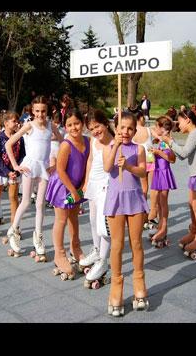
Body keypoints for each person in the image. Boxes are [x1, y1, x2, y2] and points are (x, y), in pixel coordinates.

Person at [5, 95, 64, 259]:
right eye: (37, 111)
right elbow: (8, 144)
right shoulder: (28, 125)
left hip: (44, 167)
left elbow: (63, 143)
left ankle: (38, 237)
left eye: (43, 111)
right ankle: (14, 230)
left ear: (48, 111)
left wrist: (56, 163)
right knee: (25, 201)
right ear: (32, 111)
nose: (40, 114)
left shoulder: (51, 126)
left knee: (40, 204)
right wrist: (16, 166)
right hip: (30, 166)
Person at [103, 112, 149, 317]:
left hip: (135, 199)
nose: (126, 132)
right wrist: (116, 147)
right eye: (122, 127)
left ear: (135, 130)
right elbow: (106, 167)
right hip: (115, 199)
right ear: (116, 128)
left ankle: (139, 281)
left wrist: (128, 166)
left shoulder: (139, 148)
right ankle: (116, 285)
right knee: (117, 244)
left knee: (136, 243)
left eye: (130, 128)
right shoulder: (110, 147)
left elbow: (143, 172)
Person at [158, 110, 196, 258]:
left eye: (179, 121)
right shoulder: (194, 134)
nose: (178, 125)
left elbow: (183, 153)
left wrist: (170, 141)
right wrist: (170, 143)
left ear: (187, 119)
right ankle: (193, 233)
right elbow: (182, 155)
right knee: (192, 204)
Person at [46, 107, 89, 279]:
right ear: (65, 126)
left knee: (74, 218)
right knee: (62, 219)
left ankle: (76, 248)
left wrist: (83, 186)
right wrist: (72, 190)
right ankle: (59, 253)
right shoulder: (66, 145)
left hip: (77, 187)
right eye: (69, 125)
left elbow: (88, 164)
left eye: (76, 123)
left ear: (82, 123)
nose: (73, 128)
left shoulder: (87, 141)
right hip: (63, 186)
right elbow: (60, 170)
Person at [80, 109, 114, 288]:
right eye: (91, 128)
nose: (95, 131)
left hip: (106, 186)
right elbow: (90, 160)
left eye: (97, 126)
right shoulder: (94, 140)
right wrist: (86, 181)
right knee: (92, 220)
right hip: (93, 183)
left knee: (103, 225)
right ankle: (96, 249)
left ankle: (103, 260)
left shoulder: (114, 143)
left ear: (106, 124)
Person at [0, 111, 25, 236]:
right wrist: (7, 171)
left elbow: (22, 154)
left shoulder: (20, 137)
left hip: (14, 172)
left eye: (17, 121)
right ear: (6, 123)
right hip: (0, 171)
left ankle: (15, 226)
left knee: (13, 198)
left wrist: (15, 169)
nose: (16, 123)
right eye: (14, 121)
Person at [148, 116, 177, 247]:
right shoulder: (162, 140)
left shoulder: (168, 140)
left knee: (163, 202)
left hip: (164, 172)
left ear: (162, 128)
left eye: (156, 126)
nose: (155, 128)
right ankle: (160, 228)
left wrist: (158, 152)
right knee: (160, 203)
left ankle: (163, 229)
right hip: (158, 171)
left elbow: (172, 159)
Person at [132, 111, 158, 230]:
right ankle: (151, 212)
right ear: (141, 117)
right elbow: (159, 137)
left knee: (142, 188)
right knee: (152, 188)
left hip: (138, 161)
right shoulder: (148, 129)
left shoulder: (132, 130)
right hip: (150, 160)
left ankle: (142, 213)